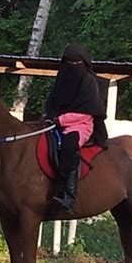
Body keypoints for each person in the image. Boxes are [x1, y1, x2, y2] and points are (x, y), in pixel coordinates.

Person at [45, 43, 108, 213]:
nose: (72, 67)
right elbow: (52, 103)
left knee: (68, 146)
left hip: (80, 126)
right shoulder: (61, 79)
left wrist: (59, 120)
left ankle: (69, 196)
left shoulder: (89, 83)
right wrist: (49, 117)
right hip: (56, 124)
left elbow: (86, 113)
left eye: (76, 63)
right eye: (69, 63)